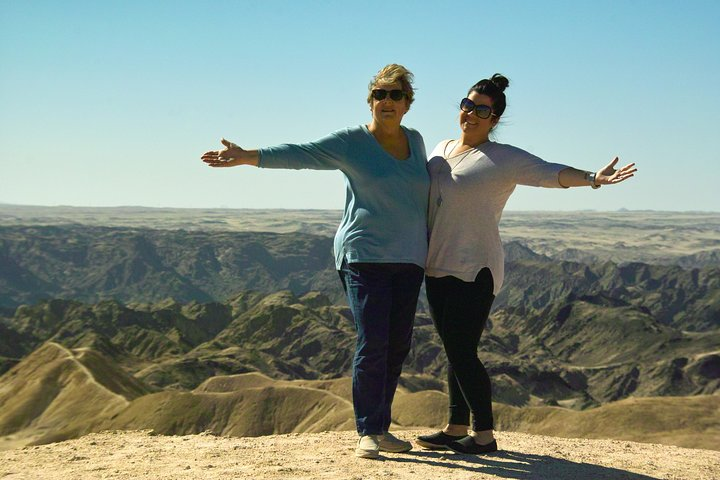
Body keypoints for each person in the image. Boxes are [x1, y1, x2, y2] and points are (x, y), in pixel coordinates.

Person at [201, 64, 429, 459]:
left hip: (409, 259)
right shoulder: (352, 141)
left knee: (397, 346)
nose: (387, 101)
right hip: (364, 255)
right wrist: (247, 157)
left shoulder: (416, 141)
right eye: (380, 94)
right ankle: (367, 431)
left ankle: (383, 425)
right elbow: (301, 154)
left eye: (395, 95)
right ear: (370, 101)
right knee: (373, 341)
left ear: (408, 103)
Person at [416, 74, 636, 455]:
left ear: (495, 118)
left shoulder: (503, 159)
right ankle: (455, 426)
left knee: (462, 350)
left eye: (481, 109)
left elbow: (550, 171)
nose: (471, 114)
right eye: (467, 105)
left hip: (476, 269)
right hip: (437, 265)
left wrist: (592, 179)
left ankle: (483, 435)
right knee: (454, 349)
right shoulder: (441, 148)